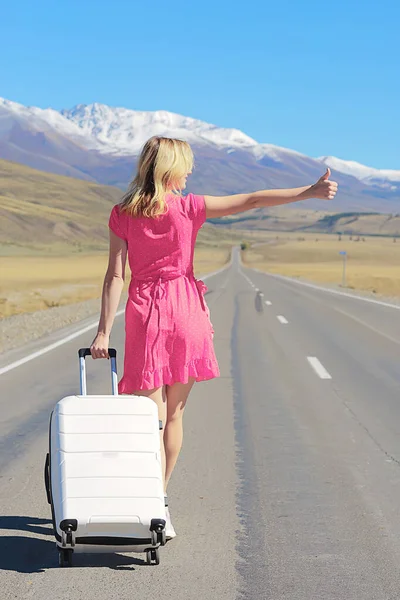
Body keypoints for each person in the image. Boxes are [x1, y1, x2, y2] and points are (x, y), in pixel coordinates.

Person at [90, 136, 338, 539]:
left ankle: (148, 501)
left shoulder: (123, 213)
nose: (191, 173)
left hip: (145, 314)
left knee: (148, 420)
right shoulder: (189, 207)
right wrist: (308, 193)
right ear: (170, 168)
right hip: (186, 308)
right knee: (174, 416)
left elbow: (116, 275)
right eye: (186, 165)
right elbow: (253, 200)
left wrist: (103, 331)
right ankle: (160, 502)